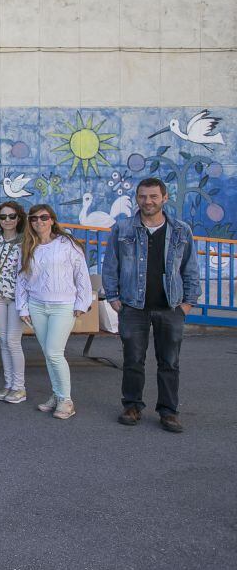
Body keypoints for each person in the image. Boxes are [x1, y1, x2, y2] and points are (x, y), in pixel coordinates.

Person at [103, 178, 200, 433]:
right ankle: (132, 406)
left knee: (169, 361)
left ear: (164, 198)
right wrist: (113, 298)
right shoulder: (122, 229)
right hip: (133, 307)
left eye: (154, 196)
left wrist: (188, 303)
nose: (148, 201)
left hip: (171, 307)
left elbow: (190, 268)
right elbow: (110, 265)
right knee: (133, 359)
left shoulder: (181, 230)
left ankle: (168, 411)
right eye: (143, 196)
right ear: (137, 198)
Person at [16, 204, 92, 421]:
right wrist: (23, 306)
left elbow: (82, 274)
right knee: (49, 354)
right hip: (37, 305)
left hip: (63, 306)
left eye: (44, 217)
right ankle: (58, 394)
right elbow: (21, 279)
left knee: (54, 352)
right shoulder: (28, 246)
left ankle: (66, 400)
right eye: (34, 218)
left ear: (52, 220)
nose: (39, 222)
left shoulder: (67, 243)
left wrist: (82, 302)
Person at [0, 202, 27, 404]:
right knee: (3, 341)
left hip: (17, 297)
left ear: (19, 218)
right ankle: (9, 383)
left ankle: (20, 387)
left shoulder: (26, 241)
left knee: (13, 341)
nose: (8, 220)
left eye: (12, 216)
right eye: (3, 217)